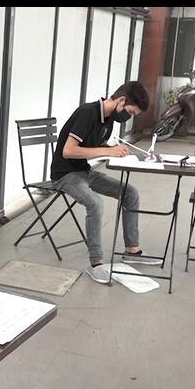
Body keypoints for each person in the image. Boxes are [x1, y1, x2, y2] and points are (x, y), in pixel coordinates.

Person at [49, 81, 162, 284]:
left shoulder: (108, 119)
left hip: (84, 172)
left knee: (130, 193)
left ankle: (131, 250)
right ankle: (96, 263)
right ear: (121, 100)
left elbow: (95, 145)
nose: (129, 116)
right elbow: (68, 151)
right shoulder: (87, 113)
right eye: (130, 112)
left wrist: (114, 150)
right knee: (95, 203)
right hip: (65, 175)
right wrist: (107, 151)